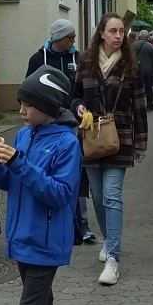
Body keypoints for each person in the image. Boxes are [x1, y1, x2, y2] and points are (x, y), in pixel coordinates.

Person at [0, 66, 81, 305]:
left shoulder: (67, 143)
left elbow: (61, 194)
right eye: (21, 103)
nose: (21, 110)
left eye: (28, 105)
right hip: (22, 237)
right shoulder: (23, 135)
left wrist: (19, 163)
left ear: (48, 106)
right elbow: (12, 183)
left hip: (45, 242)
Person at [70, 13, 147, 286]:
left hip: (120, 137)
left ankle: (113, 258)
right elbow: (74, 94)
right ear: (101, 33)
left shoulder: (130, 65)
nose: (118, 36)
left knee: (112, 196)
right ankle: (107, 240)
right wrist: (78, 106)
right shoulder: (86, 62)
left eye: (121, 31)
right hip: (91, 137)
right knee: (99, 198)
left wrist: (141, 143)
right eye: (112, 31)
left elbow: (139, 105)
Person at [25, 19, 96, 244]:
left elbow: (85, 88)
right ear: (58, 38)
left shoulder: (79, 59)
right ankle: (48, 220)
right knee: (46, 173)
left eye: (74, 37)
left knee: (74, 173)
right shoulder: (38, 59)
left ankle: (81, 223)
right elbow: (28, 90)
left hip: (73, 124)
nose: (74, 40)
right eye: (70, 37)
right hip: (46, 125)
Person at [25, 19, 80, 83]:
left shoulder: (78, 58)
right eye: (71, 37)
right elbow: (29, 87)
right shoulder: (38, 59)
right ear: (59, 37)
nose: (73, 41)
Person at [132, 29, 153, 112]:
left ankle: (137, 105)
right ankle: (150, 105)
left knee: (136, 89)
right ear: (147, 37)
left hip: (136, 70)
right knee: (148, 88)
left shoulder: (133, 45)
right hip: (148, 71)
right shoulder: (150, 46)